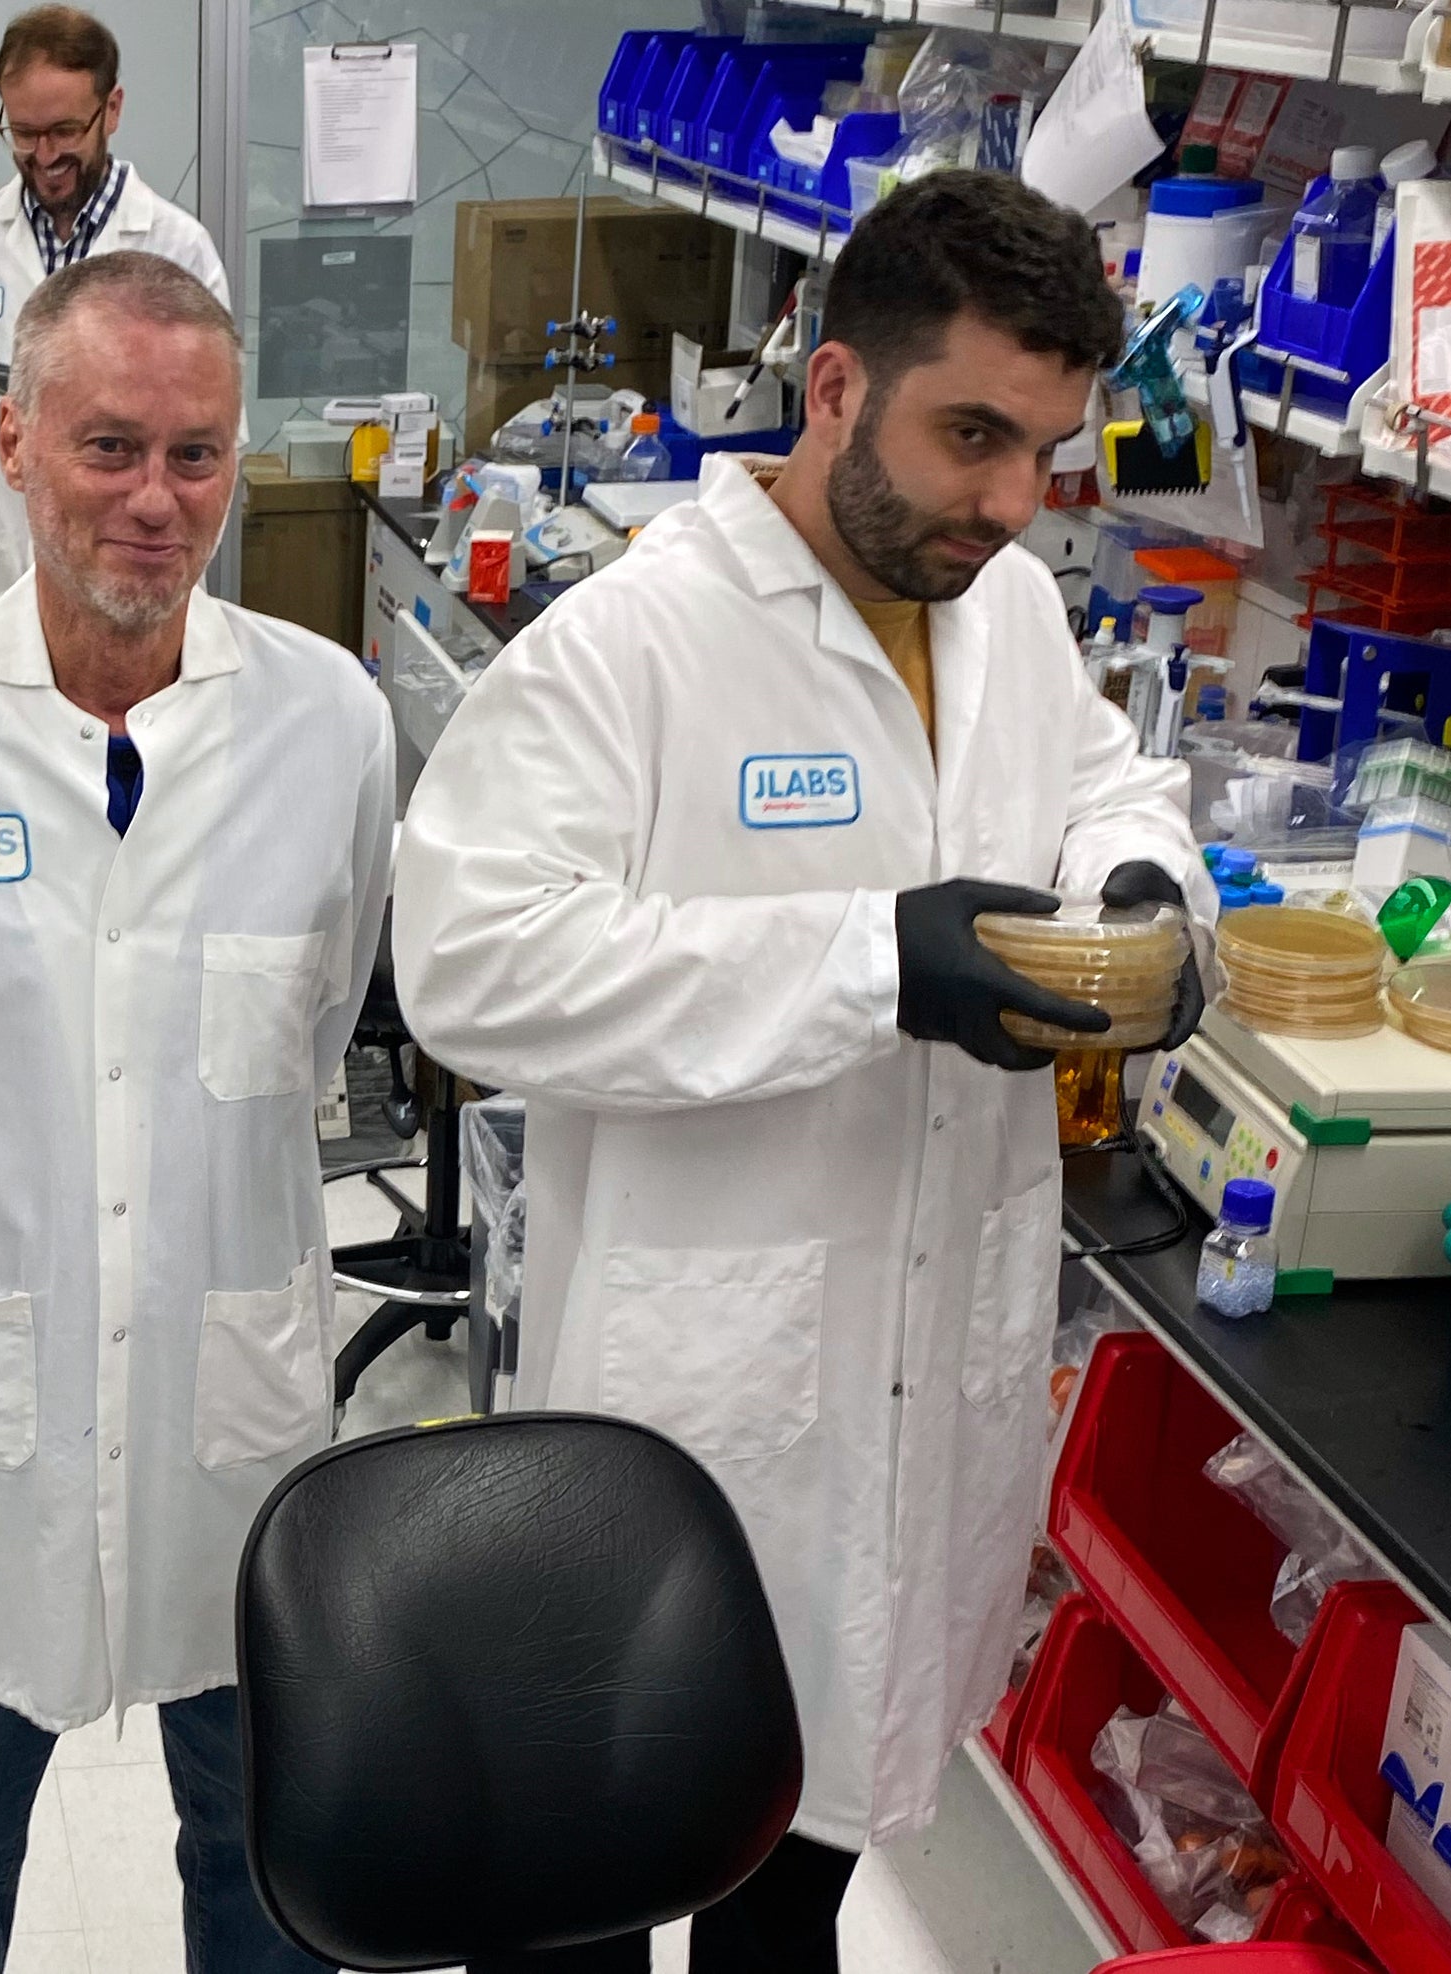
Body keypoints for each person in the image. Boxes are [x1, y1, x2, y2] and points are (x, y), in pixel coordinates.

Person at [391, 170, 1210, 1970]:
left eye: (1044, 452)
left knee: (806, 1870)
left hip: (933, 1372)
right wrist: (869, 960)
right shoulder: (638, 642)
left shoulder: (998, 608)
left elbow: (1107, 785)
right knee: (593, 1878)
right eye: (969, 434)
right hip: (705, 1382)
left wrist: (1144, 893)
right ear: (835, 385)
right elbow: (466, 961)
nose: (1007, 502)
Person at [0, 251, 390, 1971]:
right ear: (16, 448)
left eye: (196, 454)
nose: (156, 498)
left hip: (229, 1416)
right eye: (110, 446)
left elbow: (321, 1017)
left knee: (267, 1885)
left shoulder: (328, 728)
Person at [0, 4, 229, 624]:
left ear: (113, 109)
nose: (44, 155)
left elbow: (215, 445)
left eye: (66, 131)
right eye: (24, 133)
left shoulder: (177, 250)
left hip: (135, 596)